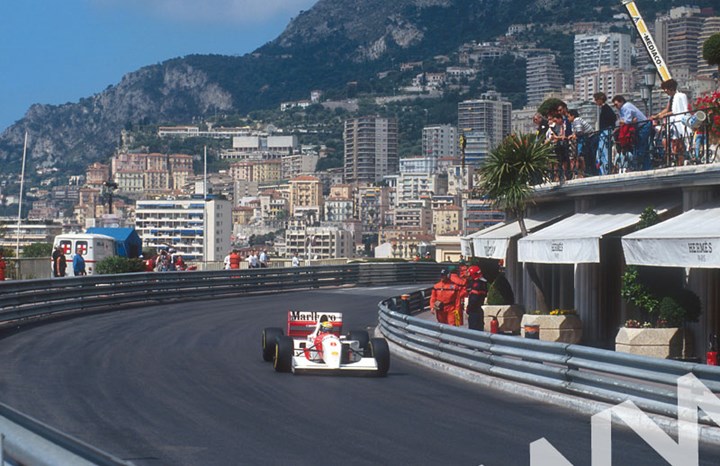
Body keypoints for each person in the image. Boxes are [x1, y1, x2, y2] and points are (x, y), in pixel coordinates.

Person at [651, 78, 690, 166]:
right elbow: (668, 109)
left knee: (679, 142)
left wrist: (662, 116)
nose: (665, 91)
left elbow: (676, 111)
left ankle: (679, 160)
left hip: (678, 122)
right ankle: (672, 158)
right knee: (670, 141)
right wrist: (657, 116)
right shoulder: (672, 98)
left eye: (666, 89)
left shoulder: (679, 96)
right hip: (673, 122)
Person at [612, 95, 651, 171]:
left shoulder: (626, 107)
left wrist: (622, 122)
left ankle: (639, 167)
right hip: (641, 126)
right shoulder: (622, 109)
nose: (615, 107)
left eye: (616, 104)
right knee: (643, 147)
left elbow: (627, 121)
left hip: (643, 126)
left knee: (640, 146)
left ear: (621, 101)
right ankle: (646, 167)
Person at [593, 92, 617, 175]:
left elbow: (612, 118)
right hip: (604, 132)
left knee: (604, 152)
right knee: (601, 152)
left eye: (596, 100)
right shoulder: (604, 109)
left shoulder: (606, 109)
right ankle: (603, 170)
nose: (595, 102)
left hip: (605, 132)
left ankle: (606, 170)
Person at [568, 109, 593, 178]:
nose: (568, 118)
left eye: (569, 116)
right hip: (583, 138)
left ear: (573, 116)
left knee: (581, 155)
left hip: (585, 138)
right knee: (580, 155)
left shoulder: (577, 120)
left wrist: (574, 135)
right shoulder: (574, 122)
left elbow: (579, 131)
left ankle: (583, 172)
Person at [465, 265, 488, 331]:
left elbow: (474, 299)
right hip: (478, 310)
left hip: (474, 311)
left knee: (473, 331)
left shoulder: (476, 284)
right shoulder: (482, 283)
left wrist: (469, 308)